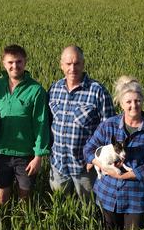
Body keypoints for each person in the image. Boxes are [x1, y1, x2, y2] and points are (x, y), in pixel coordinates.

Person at [83, 76, 144, 230]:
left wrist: (122, 175)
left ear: (143, 100)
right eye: (128, 102)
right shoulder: (109, 125)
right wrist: (103, 166)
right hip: (108, 194)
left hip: (137, 198)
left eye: (137, 100)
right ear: (121, 104)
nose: (133, 105)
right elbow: (88, 149)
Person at [47, 46, 115, 200]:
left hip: (85, 168)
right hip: (58, 166)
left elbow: (109, 130)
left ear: (83, 64)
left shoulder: (97, 91)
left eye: (77, 63)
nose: (72, 68)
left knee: (88, 208)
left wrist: (94, 160)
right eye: (68, 64)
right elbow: (47, 123)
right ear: (61, 65)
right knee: (61, 205)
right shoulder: (54, 89)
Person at [0, 44, 50, 206]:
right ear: (3, 63)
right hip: (1, 152)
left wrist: (38, 156)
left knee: (25, 197)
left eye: (18, 61)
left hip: (26, 155)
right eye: (10, 62)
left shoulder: (36, 90)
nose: (14, 66)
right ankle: (0, 227)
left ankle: (23, 227)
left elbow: (42, 124)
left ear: (25, 62)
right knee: (1, 197)